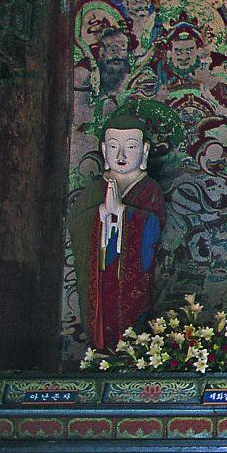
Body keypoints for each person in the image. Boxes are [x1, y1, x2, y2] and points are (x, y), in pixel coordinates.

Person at [67, 109, 166, 351]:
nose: (121, 155)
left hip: (132, 277)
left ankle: (131, 350)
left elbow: (154, 228)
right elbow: (76, 223)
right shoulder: (94, 190)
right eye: (113, 147)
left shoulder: (149, 189)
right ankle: (100, 351)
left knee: (134, 320)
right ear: (103, 150)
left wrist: (123, 212)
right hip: (99, 273)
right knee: (101, 315)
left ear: (144, 151)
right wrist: (101, 211)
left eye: (130, 147)